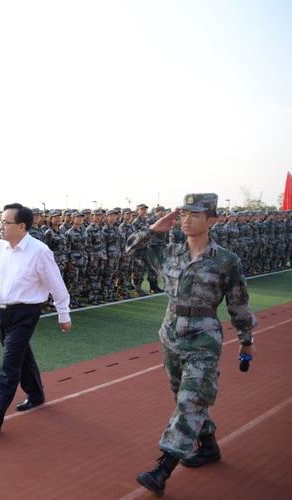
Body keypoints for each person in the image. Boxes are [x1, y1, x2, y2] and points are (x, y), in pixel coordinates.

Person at [127, 193, 257, 497]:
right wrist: (154, 228)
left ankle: (163, 468)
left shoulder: (226, 261)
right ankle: (209, 446)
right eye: (183, 214)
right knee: (186, 398)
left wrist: (246, 342)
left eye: (194, 215)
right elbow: (132, 249)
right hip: (171, 336)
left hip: (204, 340)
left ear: (212, 220)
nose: (186, 219)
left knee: (189, 402)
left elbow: (238, 304)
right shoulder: (168, 252)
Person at [0, 203, 72, 435]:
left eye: (5, 222)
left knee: (9, 364)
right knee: (21, 355)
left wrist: (64, 314)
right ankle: (36, 393)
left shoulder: (39, 252)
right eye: (0, 221)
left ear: (21, 226)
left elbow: (57, 286)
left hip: (26, 313)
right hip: (1, 312)